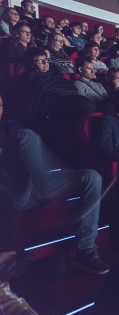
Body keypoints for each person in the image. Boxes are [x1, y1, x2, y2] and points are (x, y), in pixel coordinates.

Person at [0, 94, 109, 274]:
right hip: (12, 194)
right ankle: (49, 188)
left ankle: (85, 249)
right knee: (26, 136)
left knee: (91, 177)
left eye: (1, 105)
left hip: (37, 185)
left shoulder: (9, 128)